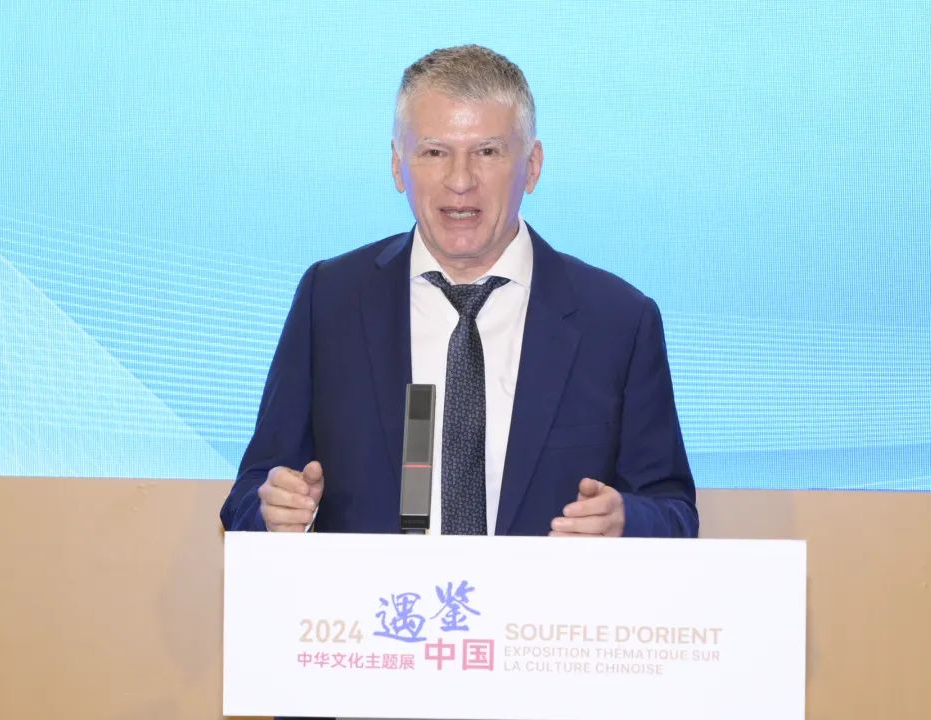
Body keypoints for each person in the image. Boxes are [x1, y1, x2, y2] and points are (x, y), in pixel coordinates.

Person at [220, 45, 698, 540]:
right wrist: (273, 512)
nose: (461, 181)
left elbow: (674, 511)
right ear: (398, 166)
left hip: (543, 594)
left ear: (532, 166)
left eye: (487, 152)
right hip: (376, 594)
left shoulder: (618, 320)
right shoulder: (330, 300)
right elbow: (249, 496)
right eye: (434, 152)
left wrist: (624, 522)